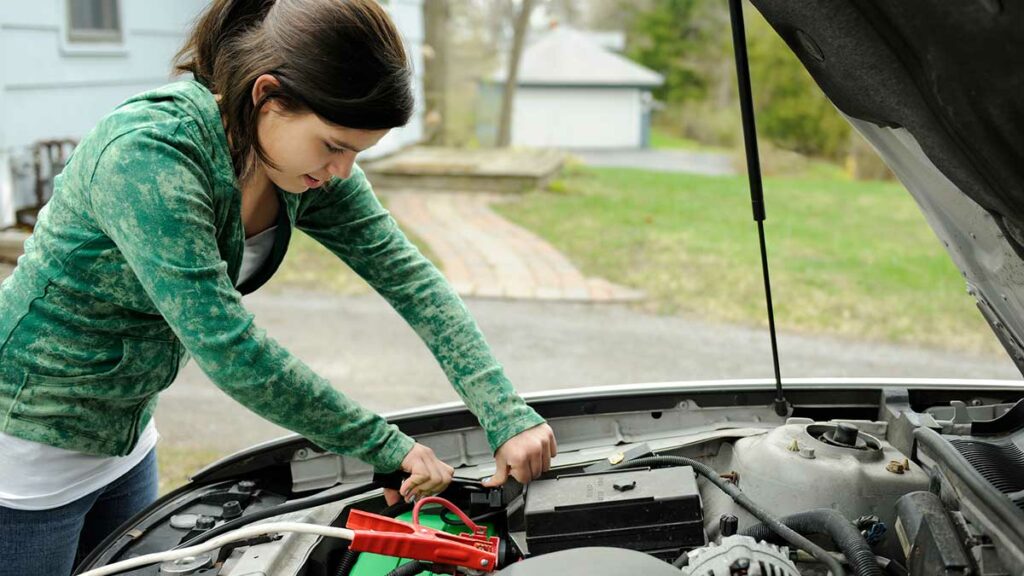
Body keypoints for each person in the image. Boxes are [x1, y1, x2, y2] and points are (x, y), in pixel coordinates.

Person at [0, 1, 556, 574]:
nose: (342, 171)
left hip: (127, 434)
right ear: (267, 96)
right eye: (334, 145)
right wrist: (386, 446)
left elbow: (410, 278)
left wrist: (505, 413)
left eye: (357, 152)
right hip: (26, 447)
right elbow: (230, 349)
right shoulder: (150, 156)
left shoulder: (300, 166)